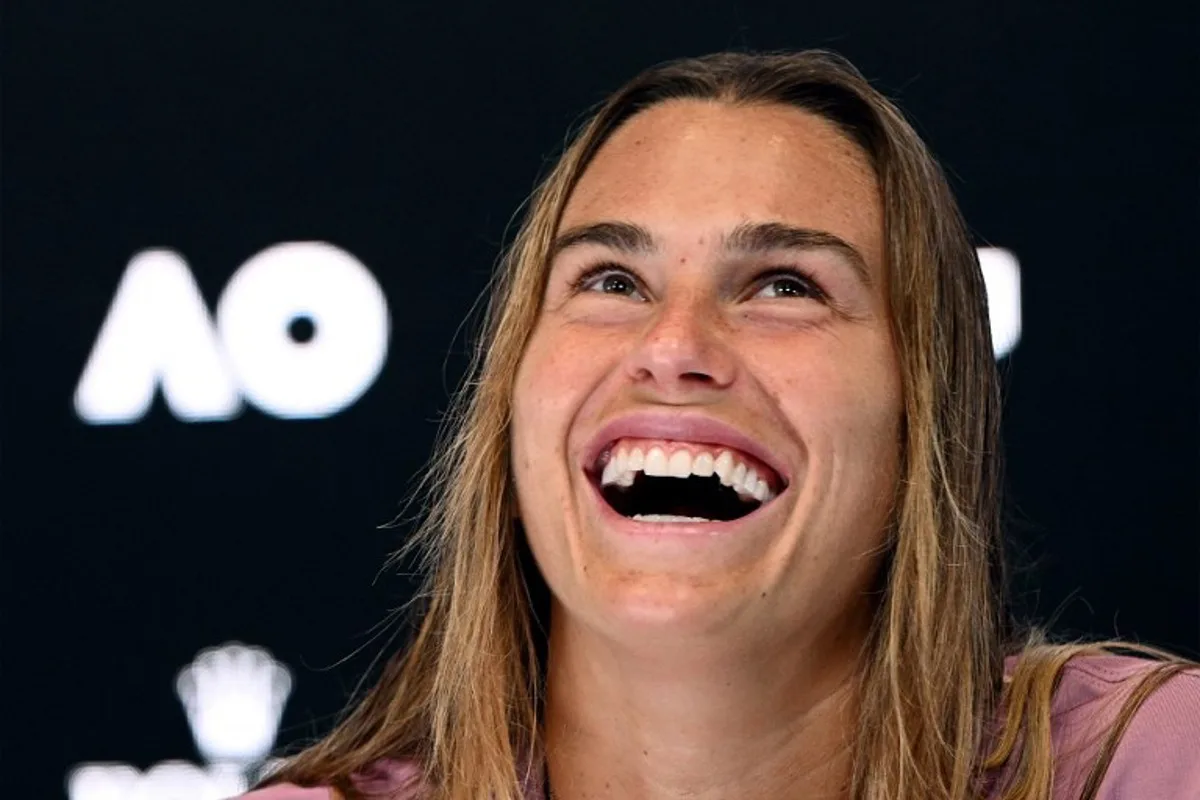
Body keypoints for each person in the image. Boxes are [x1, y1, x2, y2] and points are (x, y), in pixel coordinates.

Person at [237, 50, 1200, 800]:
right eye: (611, 281)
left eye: (786, 286)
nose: (674, 344)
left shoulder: (1153, 765)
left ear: (927, 408)